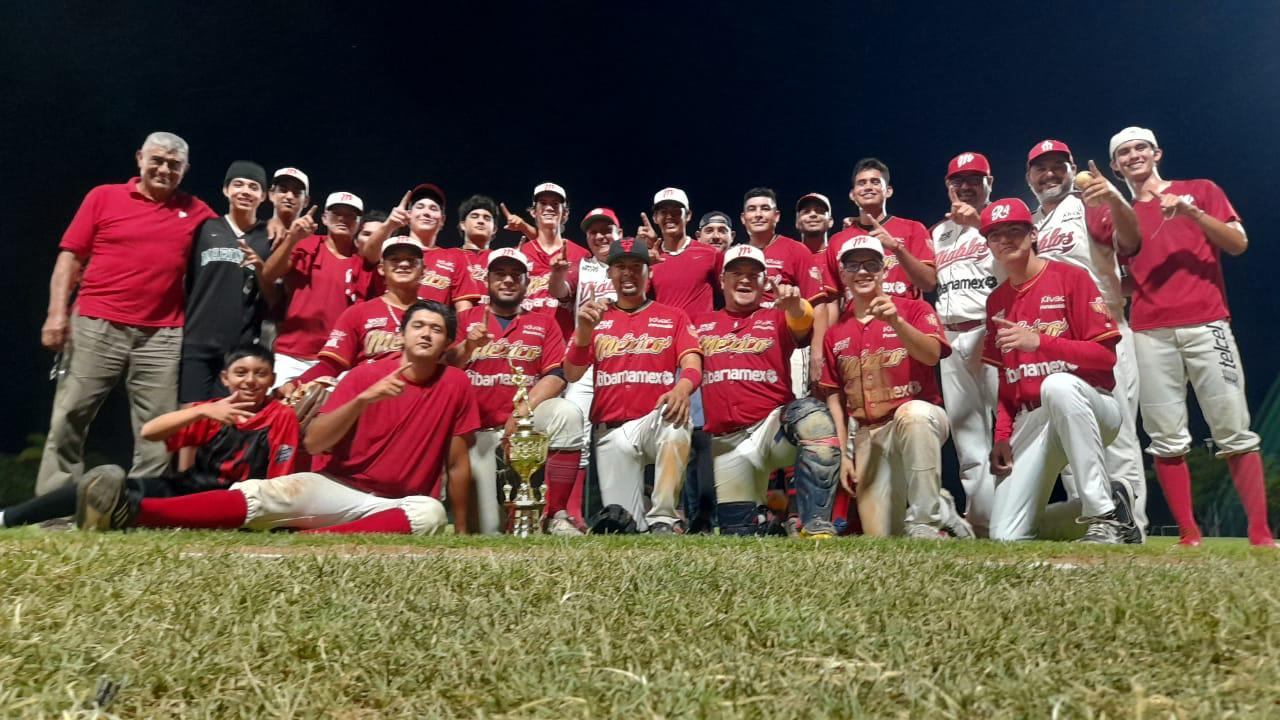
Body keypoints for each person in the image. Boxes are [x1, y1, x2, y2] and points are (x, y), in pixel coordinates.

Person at [77, 301, 478, 535]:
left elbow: (458, 463)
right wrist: (362, 400)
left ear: (447, 342)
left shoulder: (456, 383)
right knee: (267, 493)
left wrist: (462, 532)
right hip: (340, 488)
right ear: (402, 334)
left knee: (430, 512)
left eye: (437, 329)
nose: (426, 334)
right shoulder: (364, 375)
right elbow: (316, 443)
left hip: (397, 504)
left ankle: (312, 542)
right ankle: (129, 510)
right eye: (418, 326)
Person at [1109, 126, 1275, 547]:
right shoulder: (1121, 217)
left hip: (1207, 323)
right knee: (1165, 435)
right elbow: (1129, 279)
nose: (1133, 156)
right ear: (1114, 165)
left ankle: (1260, 534)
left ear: (1157, 153)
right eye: (1124, 152)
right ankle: (1188, 535)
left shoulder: (1199, 190)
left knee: (1233, 428)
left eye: (1140, 147)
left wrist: (1192, 213)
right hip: (1150, 332)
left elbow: (1238, 243)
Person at [37, 131, 217, 495]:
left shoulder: (196, 211)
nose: (164, 169)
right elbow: (70, 258)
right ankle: (55, 499)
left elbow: (232, 237)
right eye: (158, 160)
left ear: (185, 169)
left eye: (173, 164)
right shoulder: (104, 197)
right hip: (95, 322)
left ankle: (140, 502)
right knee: (71, 414)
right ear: (140, 158)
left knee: (158, 425)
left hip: (162, 332)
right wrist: (56, 313)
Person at [978, 198, 1140, 544]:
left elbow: (1104, 358)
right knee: (1007, 535)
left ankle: (1103, 518)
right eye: (995, 235)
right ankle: (1114, 505)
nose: (1005, 240)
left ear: (1033, 234)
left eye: (1014, 231)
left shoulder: (1070, 277)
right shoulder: (996, 301)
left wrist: (1039, 341)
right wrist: (1001, 436)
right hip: (1035, 419)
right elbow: (1008, 382)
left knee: (1058, 385)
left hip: (1092, 405)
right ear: (988, 244)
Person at [2, 346, 298, 528]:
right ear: (225, 378)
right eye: (241, 372)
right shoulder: (214, 410)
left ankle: (103, 519)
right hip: (191, 488)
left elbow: (279, 478)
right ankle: (8, 518)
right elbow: (150, 431)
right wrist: (202, 412)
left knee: (131, 507)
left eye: (260, 374)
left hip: (237, 500)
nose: (250, 380)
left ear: (272, 379)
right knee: (93, 487)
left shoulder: (281, 415)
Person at [1026, 138, 1148, 534]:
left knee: (1119, 438)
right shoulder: (1030, 224)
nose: (1049, 174)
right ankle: (1094, 524)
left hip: (1102, 333)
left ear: (1071, 167)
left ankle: (1133, 529)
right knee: (1068, 440)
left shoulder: (1089, 203)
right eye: (1040, 167)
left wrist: (1114, 199)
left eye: (1057, 165)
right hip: (1052, 341)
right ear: (1028, 177)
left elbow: (1131, 241)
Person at [818, 235, 971, 539]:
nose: (863, 272)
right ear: (843, 273)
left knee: (912, 414)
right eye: (853, 265)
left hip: (918, 420)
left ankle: (926, 519)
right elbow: (834, 395)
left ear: (884, 269)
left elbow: (930, 355)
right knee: (882, 538)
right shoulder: (835, 332)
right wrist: (844, 454)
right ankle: (942, 508)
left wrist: (897, 322)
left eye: (871, 264)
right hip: (868, 435)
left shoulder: (913, 308)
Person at [696, 245, 842, 537]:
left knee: (813, 418)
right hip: (729, 442)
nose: (745, 280)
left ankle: (815, 524)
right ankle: (767, 522)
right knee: (738, 535)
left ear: (765, 282)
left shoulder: (774, 317)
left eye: (754, 274)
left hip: (772, 430)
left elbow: (802, 321)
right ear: (722, 280)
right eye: (737, 273)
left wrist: (795, 305)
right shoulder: (701, 323)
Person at [564, 237, 702, 533]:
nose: (628, 273)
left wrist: (682, 388)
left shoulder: (673, 316)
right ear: (609, 274)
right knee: (624, 527)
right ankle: (646, 523)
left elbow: (692, 362)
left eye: (636, 266)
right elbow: (572, 373)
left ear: (648, 272)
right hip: (610, 432)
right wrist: (584, 333)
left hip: (654, 422)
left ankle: (664, 516)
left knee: (676, 417)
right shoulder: (594, 317)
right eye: (620, 267)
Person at [450, 248, 585, 535]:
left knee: (567, 413)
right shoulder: (464, 320)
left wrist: (523, 410)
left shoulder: (543, 322)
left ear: (527, 282)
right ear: (487, 280)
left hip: (525, 428)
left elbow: (558, 374)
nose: (508, 280)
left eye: (516, 275)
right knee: (487, 531)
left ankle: (555, 514)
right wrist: (467, 348)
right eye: (500, 274)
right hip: (478, 434)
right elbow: (444, 368)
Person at [930, 152, 1002, 536]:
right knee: (967, 435)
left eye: (975, 178)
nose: (966, 186)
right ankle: (984, 520)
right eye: (958, 180)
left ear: (990, 183)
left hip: (993, 330)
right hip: (950, 334)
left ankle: (1018, 514)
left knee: (1012, 429)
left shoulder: (1004, 218)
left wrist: (982, 224)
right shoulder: (938, 233)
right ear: (948, 185)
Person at [642, 187, 722, 532]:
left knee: (701, 437)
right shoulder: (647, 258)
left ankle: (703, 517)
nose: (670, 216)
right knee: (663, 435)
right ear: (656, 217)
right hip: (658, 356)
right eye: (664, 211)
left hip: (697, 355)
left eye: (677, 210)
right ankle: (665, 514)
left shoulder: (708, 254)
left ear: (689, 216)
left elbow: (724, 296)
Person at [278, 235, 427, 396]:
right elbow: (331, 365)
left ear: (423, 270)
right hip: (370, 400)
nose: (403, 264)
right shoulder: (358, 313)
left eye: (411, 260)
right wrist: (295, 383)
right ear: (381, 268)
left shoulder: (434, 314)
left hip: (420, 397)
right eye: (395, 259)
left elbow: (447, 361)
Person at [179, 161, 274, 404]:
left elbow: (274, 296)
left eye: (254, 187)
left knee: (232, 424)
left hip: (239, 349)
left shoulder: (269, 237)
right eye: (238, 184)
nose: (245, 191)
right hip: (197, 341)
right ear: (225, 190)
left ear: (263, 196)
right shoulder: (204, 229)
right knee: (191, 420)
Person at [261, 191, 374, 386]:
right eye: (336, 213)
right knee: (279, 414)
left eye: (350, 215)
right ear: (324, 218)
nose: (343, 219)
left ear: (358, 223)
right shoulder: (307, 244)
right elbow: (269, 275)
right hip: (293, 354)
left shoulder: (364, 264)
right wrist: (291, 239)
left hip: (337, 360)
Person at [562, 208, 623, 529]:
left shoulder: (631, 262)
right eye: (593, 231)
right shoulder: (580, 267)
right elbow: (559, 292)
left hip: (623, 360)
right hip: (586, 361)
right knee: (575, 430)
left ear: (619, 231)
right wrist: (558, 275)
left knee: (621, 437)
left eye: (607, 230)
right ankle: (572, 511)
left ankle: (625, 509)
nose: (600, 236)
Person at [821, 158, 937, 303]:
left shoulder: (913, 229)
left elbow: (929, 283)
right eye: (861, 183)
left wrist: (897, 248)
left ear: (888, 191)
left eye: (875, 182)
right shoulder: (837, 240)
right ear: (852, 194)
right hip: (858, 322)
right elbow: (833, 299)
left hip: (904, 320)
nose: (868, 187)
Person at [361, 183, 483, 309]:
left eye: (433, 209)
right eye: (420, 207)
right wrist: (389, 225)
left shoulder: (456, 257)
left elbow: (464, 311)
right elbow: (369, 255)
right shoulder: (389, 247)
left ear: (442, 220)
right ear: (409, 215)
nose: (426, 213)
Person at [511, 182, 591, 338]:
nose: (549, 208)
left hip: (564, 341)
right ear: (534, 212)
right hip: (525, 343)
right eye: (543, 203)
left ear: (565, 213)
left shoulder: (582, 255)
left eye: (555, 204)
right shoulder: (519, 254)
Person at [740, 188, 828, 307]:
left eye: (765, 208)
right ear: (743, 218)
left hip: (782, 324)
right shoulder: (735, 255)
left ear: (776, 216)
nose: (758, 215)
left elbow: (818, 304)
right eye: (752, 209)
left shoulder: (796, 250)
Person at [458, 194, 501, 283]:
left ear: (494, 229)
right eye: (474, 216)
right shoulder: (448, 257)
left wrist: (524, 229)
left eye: (487, 218)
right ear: (463, 225)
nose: (481, 221)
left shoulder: (502, 260)